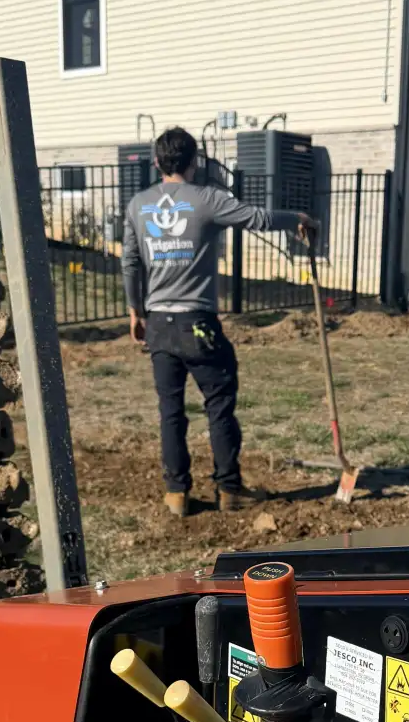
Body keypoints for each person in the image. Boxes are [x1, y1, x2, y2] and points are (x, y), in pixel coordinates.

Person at [122, 127, 316, 516]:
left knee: (171, 411)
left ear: (157, 162)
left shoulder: (137, 206)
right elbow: (257, 218)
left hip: (159, 322)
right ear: (194, 162)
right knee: (219, 405)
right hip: (199, 325)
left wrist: (135, 311)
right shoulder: (207, 199)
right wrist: (296, 217)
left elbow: (129, 261)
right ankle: (229, 489)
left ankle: (176, 493)